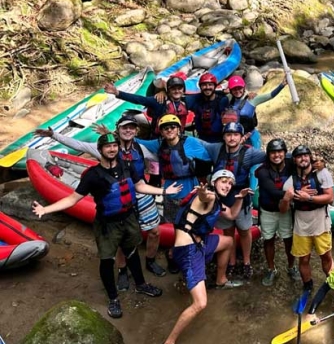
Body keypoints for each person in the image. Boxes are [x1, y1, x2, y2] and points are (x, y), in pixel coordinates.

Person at [32, 133, 180, 318]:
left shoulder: (127, 167)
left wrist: (165, 191)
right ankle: (113, 298)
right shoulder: (92, 176)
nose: (112, 149)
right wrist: (46, 210)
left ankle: (141, 285)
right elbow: (73, 199)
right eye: (107, 146)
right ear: (100, 150)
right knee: (107, 260)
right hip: (107, 225)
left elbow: (141, 186)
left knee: (132, 252)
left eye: (114, 146)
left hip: (129, 219)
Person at [34, 114, 168, 288]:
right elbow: (77, 144)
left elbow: (161, 162)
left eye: (132, 128)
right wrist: (54, 136)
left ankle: (150, 261)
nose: (128, 130)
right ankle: (122, 270)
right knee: (122, 239)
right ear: (118, 130)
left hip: (140, 193)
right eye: (124, 128)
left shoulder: (141, 149)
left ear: (136, 131)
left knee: (155, 232)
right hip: (116, 198)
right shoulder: (104, 148)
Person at [163, 169, 247, 344]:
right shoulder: (208, 196)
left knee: (228, 242)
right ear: (214, 182)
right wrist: (202, 193)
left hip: (200, 243)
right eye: (223, 181)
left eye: (230, 183)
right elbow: (204, 198)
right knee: (200, 304)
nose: (227, 185)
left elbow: (231, 214)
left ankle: (221, 280)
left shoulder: (217, 200)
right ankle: (169, 341)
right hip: (188, 251)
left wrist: (239, 198)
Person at [135, 114, 212, 273]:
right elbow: (139, 142)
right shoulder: (159, 144)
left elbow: (207, 160)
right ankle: (174, 255)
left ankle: (193, 254)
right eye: (165, 128)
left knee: (194, 225)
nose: (169, 130)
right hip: (172, 190)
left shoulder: (190, 142)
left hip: (191, 188)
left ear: (178, 129)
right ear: (161, 132)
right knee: (178, 226)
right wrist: (113, 133)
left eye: (172, 127)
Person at [199, 122, 266, 280]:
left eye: (235, 134)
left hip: (242, 197)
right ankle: (232, 262)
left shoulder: (249, 153)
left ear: (242, 137)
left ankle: (247, 262)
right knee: (228, 231)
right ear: (223, 137)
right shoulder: (216, 149)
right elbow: (200, 143)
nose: (232, 138)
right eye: (228, 134)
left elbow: (272, 156)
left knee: (244, 230)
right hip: (222, 198)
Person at [282, 145, 334, 293]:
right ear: (294, 160)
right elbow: (284, 208)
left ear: (310, 157)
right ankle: (308, 285)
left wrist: (308, 197)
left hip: (320, 222)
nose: (303, 158)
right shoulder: (291, 182)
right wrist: (288, 199)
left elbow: (330, 198)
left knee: (326, 256)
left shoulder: (322, 173)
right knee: (303, 259)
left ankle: (333, 282)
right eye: (299, 156)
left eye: (306, 155)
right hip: (301, 225)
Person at [255, 138, 300, 286]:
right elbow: (273, 191)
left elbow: (306, 164)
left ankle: (291, 266)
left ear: (285, 153)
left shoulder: (291, 165)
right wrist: (296, 194)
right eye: (273, 152)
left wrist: (321, 165)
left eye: (280, 152)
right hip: (268, 210)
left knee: (288, 238)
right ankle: (271, 268)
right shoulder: (262, 171)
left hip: (285, 211)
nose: (276, 155)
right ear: (268, 154)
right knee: (269, 239)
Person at [105, 75, 189, 137]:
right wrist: (118, 93)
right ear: (169, 90)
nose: (177, 91)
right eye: (173, 89)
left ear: (183, 90)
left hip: (178, 137)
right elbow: (139, 99)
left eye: (179, 88)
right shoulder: (159, 101)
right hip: (159, 138)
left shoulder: (186, 101)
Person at [222, 75, 287, 148]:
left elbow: (270, 95)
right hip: (234, 137)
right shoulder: (228, 99)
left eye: (239, 88)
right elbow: (214, 93)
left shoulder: (252, 99)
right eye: (234, 89)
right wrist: (222, 90)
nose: (237, 91)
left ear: (244, 88)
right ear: (230, 90)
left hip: (250, 137)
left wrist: (282, 85)